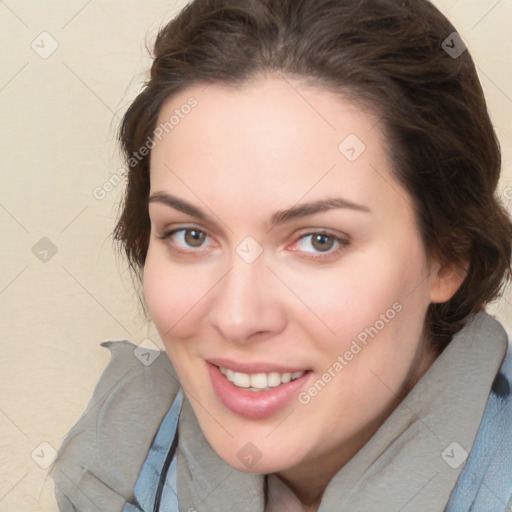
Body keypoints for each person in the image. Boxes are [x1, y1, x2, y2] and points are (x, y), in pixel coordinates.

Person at [50, 0, 512, 510]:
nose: (237, 317)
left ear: (448, 255)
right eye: (191, 235)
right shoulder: (117, 457)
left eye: (319, 240)